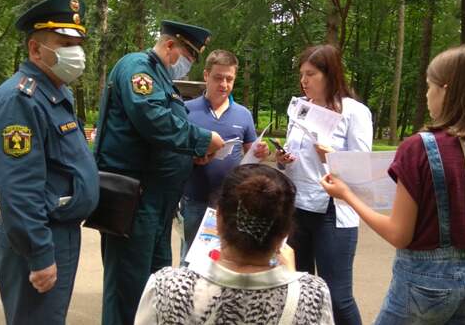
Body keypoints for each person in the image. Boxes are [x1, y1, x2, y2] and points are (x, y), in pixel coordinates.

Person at [321, 44, 465, 324]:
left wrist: (347, 194)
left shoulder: (419, 148)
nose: (427, 95)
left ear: (446, 90)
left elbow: (398, 234)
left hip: (422, 288)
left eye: (430, 86)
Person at [95, 20, 226, 325]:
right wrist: (202, 140)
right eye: (189, 56)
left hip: (158, 204)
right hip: (135, 201)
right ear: (170, 46)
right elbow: (152, 119)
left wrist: (190, 156)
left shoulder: (162, 79)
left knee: (156, 287)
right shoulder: (138, 68)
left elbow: (160, 138)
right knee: (128, 290)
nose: (189, 64)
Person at [0, 0, 99, 324]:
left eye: (77, 44)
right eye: (64, 43)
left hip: (59, 231)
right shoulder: (19, 100)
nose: (76, 54)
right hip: (39, 236)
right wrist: (39, 253)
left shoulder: (55, 92)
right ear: (36, 50)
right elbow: (18, 187)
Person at [134, 164, 335, 324]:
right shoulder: (313, 295)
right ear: (285, 231)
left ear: (218, 217)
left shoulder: (167, 287)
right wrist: (293, 282)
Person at [276, 44, 372, 325]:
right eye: (301, 74)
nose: (303, 81)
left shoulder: (354, 112)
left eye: (310, 74)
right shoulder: (299, 108)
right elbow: (295, 157)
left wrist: (332, 157)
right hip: (297, 208)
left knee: (337, 297)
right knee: (301, 289)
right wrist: (283, 159)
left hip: (333, 212)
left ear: (330, 75)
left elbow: (363, 169)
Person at [181, 49, 269, 261]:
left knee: (227, 260)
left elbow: (251, 156)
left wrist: (260, 153)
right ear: (205, 76)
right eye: (218, 78)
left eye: (229, 79)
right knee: (191, 257)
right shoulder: (186, 110)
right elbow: (174, 152)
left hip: (231, 201)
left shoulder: (243, 114)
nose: (224, 85)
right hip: (194, 198)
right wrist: (193, 159)